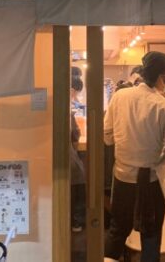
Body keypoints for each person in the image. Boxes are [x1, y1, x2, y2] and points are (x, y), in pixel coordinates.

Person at [103, 52, 165, 262]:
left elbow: (106, 136)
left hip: (122, 177)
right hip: (151, 181)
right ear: (162, 78)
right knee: (151, 235)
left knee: (117, 230)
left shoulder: (119, 97)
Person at [70, 74, 86, 232]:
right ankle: (77, 221)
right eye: (76, 92)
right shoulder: (67, 109)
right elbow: (76, 135)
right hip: (68, 158)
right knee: (80, 176)